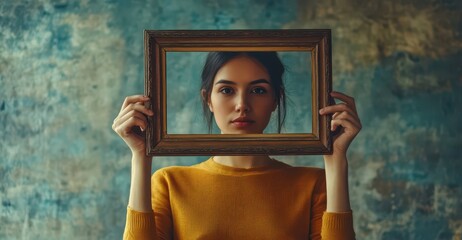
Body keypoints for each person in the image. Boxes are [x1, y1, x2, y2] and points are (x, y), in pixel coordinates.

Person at [112, 52, 362, 240]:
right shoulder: (169, 183)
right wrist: (140, 157)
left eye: (258, 90)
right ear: (207, 99)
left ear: (276, 99)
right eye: (227, 90)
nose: (242, 104)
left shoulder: (313, 184)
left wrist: (336, 157)